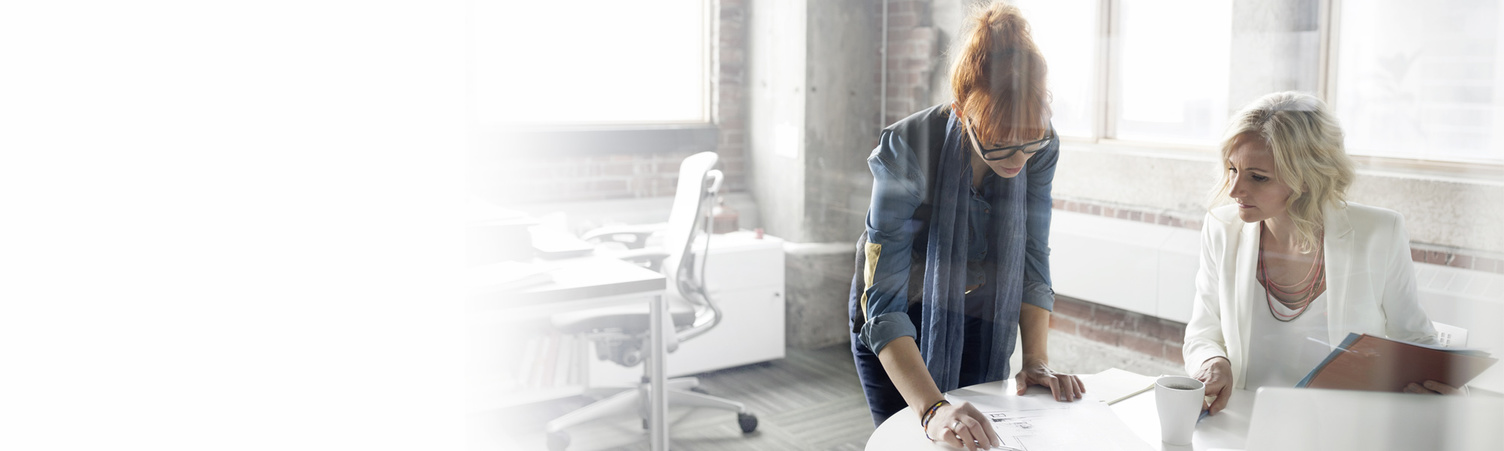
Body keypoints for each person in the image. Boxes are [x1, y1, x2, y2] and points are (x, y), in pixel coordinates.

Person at [848, 3, 1081, 449]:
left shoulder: (1042, 145)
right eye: (999, 143)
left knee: (979, 439)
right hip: (896, 320)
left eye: (1029, 141)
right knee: (917, 439)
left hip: (979, 312)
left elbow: (1033, 256)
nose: (1018, 160)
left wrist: (1035, 359)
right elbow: (883, 303)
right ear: (960, 110)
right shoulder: (907, 148)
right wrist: (932, 409)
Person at [1183, 91, 1460, 417]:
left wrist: (1451, 389)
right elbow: (1202, 332)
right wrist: (1213, 361)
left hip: (1343, 428)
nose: (1233, 190)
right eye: (1232, 169)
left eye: (1257, 177)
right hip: (1244, 422)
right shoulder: (1221, 228)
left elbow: (1416, 338)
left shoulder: (1379, 233)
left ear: (1305, 178)